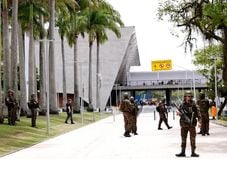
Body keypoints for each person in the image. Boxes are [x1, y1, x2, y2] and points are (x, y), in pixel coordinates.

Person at [176, 90, 201, 157]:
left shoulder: (194, 104)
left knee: (192, 138)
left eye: (190, 96)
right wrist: (178, 113)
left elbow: (198, 113)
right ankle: (182, 152)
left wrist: (199, 122)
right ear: (185, 97)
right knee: (183, 138)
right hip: (183, 124)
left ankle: (193, 152)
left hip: (192, 124)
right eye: (187, 96)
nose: (188, 97)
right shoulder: (182, 104)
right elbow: (179, 112)